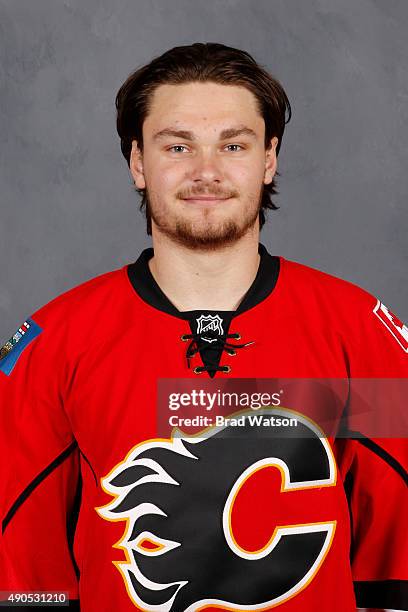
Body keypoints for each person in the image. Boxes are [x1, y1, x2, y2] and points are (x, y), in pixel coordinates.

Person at [0, 42, 407, 612]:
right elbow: (24, 571)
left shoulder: (357, 331)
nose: (207, 171)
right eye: (178, 146)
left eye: (233, 145)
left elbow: (396, 558)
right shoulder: (53, 342)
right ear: (138, 162)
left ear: (269, 159)